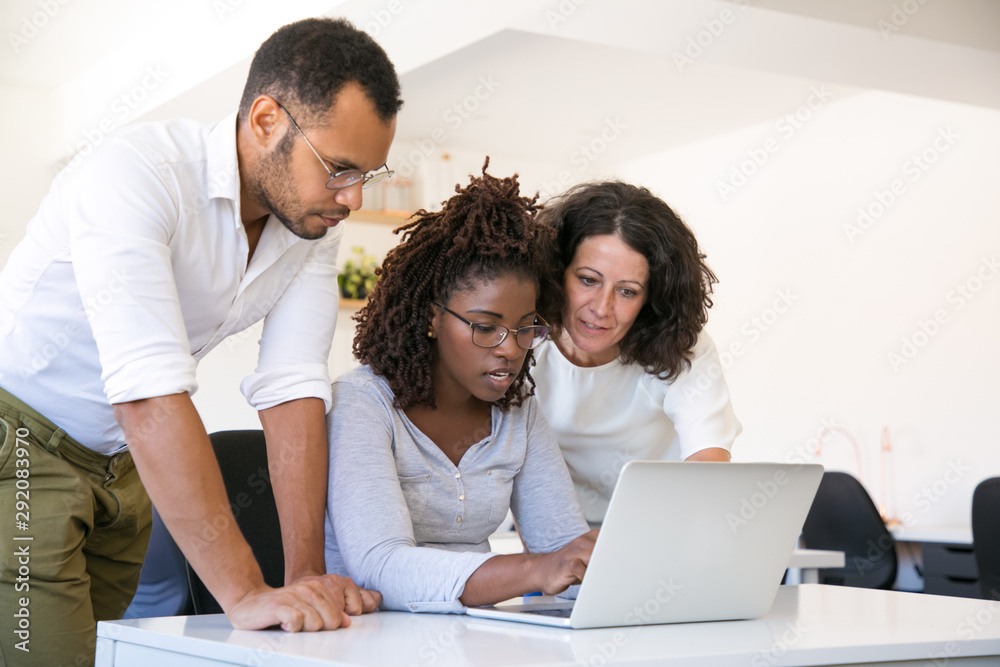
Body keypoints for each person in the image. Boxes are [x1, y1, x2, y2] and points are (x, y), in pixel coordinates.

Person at [0, 18, 400, 666]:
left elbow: (293, 387)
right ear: (266, 120)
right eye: (338, 168)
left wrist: (304, 575)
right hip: (21, 444)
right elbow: (147, 392)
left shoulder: (311, 227)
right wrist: (244, 592)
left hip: (121, 465)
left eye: (367, 174)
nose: (351, 197)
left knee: (109, 654)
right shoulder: (136, 173)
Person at [324, 162, 596, 612]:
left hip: (472, 635)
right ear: (433, 318)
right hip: (366, 635)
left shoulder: (518, 412)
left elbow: (563, 555)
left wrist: (599, 565)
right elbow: (380, 567)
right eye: (486, 327)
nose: (510, 349)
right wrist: (534, 570)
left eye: (526, 329)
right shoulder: (362, 404)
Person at [533, 181, 742, 525]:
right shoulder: (525, 342)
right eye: (588, 280)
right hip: (562, 530)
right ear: (557, 272)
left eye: (627, 291)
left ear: (650, 298)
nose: (601, 308)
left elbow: (709, 464)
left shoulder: (680, 345)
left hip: (665, 525)